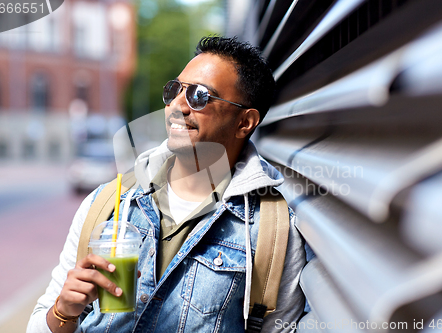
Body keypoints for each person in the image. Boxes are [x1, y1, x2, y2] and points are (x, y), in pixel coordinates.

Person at [27, 36, 306, 333]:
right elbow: (39, 324)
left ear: (245, 122)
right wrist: (64, 312)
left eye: (199, 96)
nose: (176, 106)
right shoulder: (108, 204)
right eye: (175, 90)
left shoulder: (273, 232)